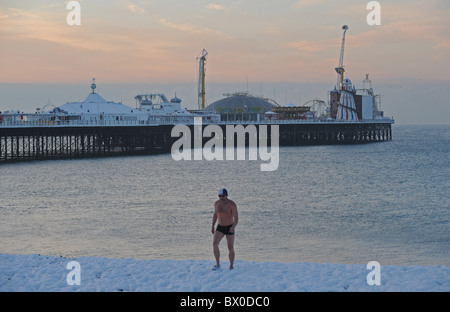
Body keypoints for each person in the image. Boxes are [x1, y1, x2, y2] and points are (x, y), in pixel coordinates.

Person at [211, 188, 238, 270]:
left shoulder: (232, 204)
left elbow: (236, 218)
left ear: (226, 195)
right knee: (215, 244)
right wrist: (212, 226)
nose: (221, 197)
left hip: (230, 227)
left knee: (230, 247)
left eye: (222, 196)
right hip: (220, 227)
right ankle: (218, 264)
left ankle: (231, 266)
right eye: (219, 196)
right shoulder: (216, 203)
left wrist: (233, 227)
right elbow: (215, 215)